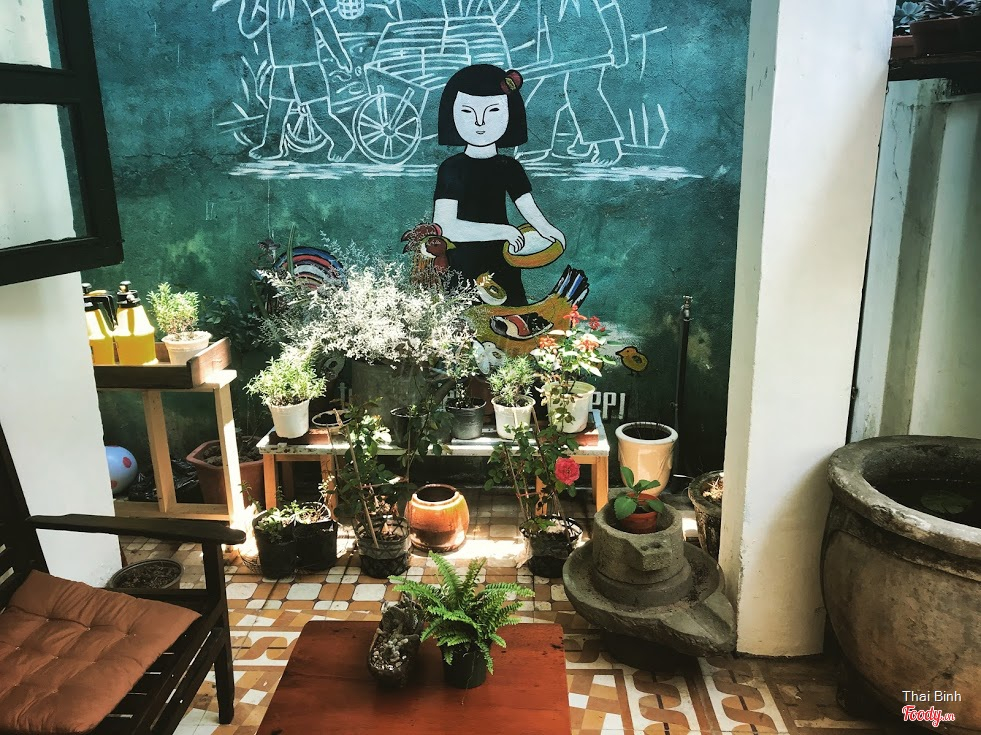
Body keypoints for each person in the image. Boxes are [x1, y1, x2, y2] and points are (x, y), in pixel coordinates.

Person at [433, 65, 565, 307]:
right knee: (465, 319)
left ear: (509, 113)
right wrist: (503, 231)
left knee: (512, 319)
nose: (479, 122)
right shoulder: (451, 168)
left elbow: (528, 208)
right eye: (467, 111)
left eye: (493, 110)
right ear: (452, 113)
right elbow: (445, 227)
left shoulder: (509, 167)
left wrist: (551, 233)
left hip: (503, 261)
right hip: (463, 262)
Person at [238, 0, 355, 162]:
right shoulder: (268, 3)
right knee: (277, 112)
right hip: (281, 68)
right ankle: (272, 146)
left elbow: (324, 25)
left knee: (319, 112)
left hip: (308, 67)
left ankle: (343, 141)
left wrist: (340, 56)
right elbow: (248, 29)